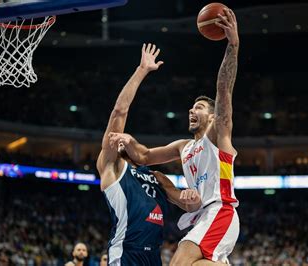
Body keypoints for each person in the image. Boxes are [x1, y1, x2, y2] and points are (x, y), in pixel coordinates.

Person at [108, 8, 240, 265]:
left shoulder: (217, 136)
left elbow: (223, 90)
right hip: (202, 215)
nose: (192, 110)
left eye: (199, 107)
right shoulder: (183, 146)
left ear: (213, 117)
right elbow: (144, 156)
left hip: (220, 210)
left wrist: (233, 45)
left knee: (178, 262)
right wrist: (128, 140)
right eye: (192, 106)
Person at [96, 43, 201, 266]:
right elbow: (119, 111)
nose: (122, 141)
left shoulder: (157, 177)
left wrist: (192, 198)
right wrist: (142, 70)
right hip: (127, 252)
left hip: (154, 256)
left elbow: (188, 207)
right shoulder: (112, 168)